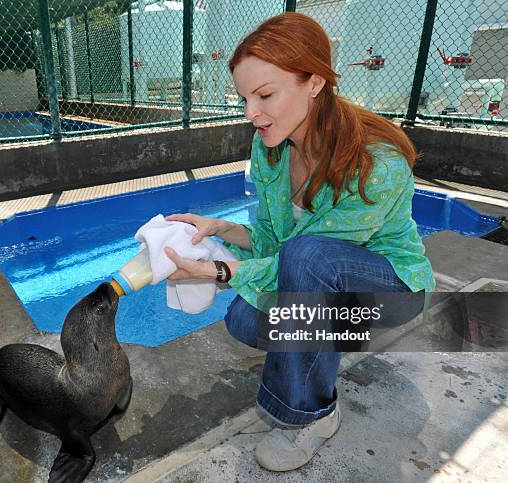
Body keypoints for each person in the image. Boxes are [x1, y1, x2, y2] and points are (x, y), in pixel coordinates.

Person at [164, 12, 435, 472]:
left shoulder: (377, 161)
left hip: (390, 291)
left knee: (306, 265)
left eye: (265, 94)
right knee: (246, 321)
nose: (251, 112)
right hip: (321, 284)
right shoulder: (269, 145)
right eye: (245, 97)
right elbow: (275, 241)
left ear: (313, 82)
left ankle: (312, 414)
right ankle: (302, 364)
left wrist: (220, 272)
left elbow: (308, 258)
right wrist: (222, 230)